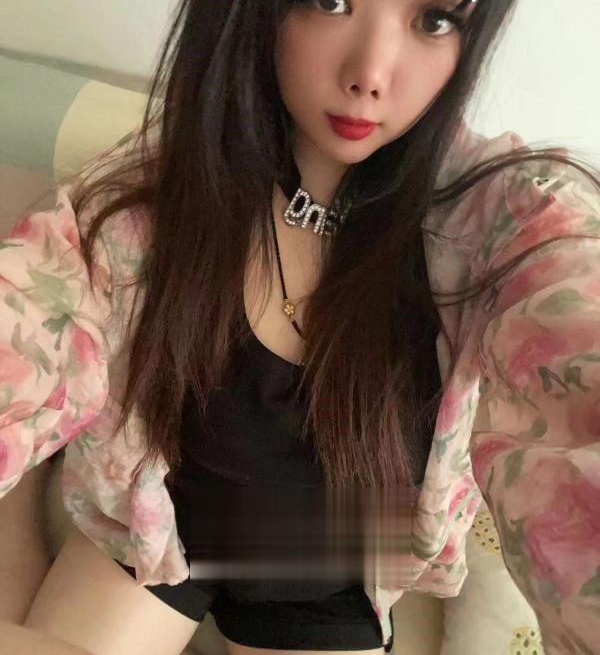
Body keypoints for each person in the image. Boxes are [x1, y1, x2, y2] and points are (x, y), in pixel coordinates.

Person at [0, 1, 599, 654]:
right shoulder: (155, 192)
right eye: (330, 0)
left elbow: (574, 344)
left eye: (433, 20)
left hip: (327, 576)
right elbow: (27, 316)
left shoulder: (503, 221)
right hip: (161, 529)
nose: (370, 74)